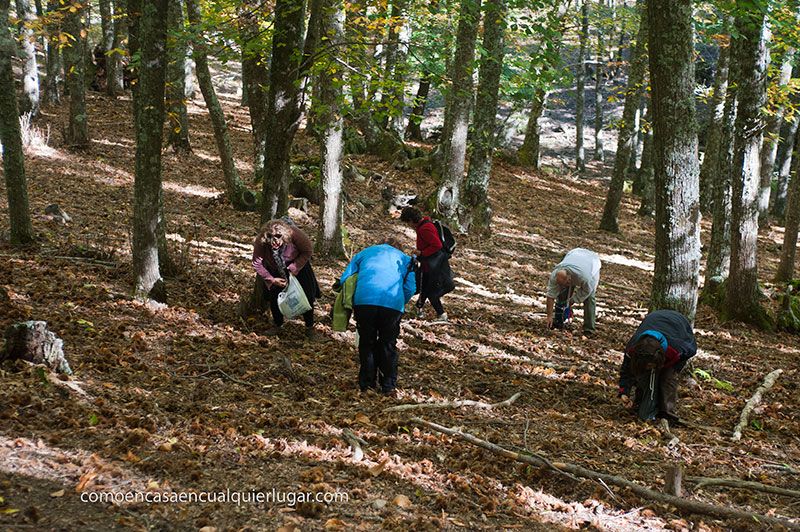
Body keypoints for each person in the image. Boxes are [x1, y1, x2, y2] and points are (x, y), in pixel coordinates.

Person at [339, 238, 416, 395]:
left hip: (364, 302)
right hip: (392, 304)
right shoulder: (406, 259)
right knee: (388, 343)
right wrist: (401, 301)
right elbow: (410, 287)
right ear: (399, 248)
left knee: (367, 342)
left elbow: (344, 279)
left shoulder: (363, 253)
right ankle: (388, 385)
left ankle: (367, 384)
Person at [618, 309, 698, 422]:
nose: (650, 368)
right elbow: (626, 370)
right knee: (643, 375)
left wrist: (674, 368)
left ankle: (667, 414)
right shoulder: (633, 348)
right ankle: (640, 403)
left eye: (651, 365)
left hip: (679, 323)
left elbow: (692, 350)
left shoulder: (678, 347)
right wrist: (624, 392)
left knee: (668, 379)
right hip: (655, 318)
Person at [252, 219, 320, 338]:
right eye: (271, 237)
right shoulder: (261, 241)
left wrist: (294, 268)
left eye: (278, 237)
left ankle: (309, 327)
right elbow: (257, 263)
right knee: (275, 296)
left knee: (306, 295)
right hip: (274, 269)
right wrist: (271, 279)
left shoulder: (294, 234)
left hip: (298, 265)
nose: (275, 241)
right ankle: (277, 325)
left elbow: (307, 250)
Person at [399, 206, 454, 322]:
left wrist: (421, 253)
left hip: (433, 267)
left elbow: (437, 245)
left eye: (408, 223)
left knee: (429, 291)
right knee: (422, 286)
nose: (409, 226)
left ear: (411, 220)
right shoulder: (425, 224)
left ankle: (442, 315)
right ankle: (418, 309)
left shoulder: (425, 229)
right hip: (430, 265)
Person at [545, 248, 601, 335]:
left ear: (570, 278)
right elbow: (550, 296)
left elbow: (586, 291)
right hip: (575, 253)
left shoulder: (586, 278)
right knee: (564, 291)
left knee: (589, 298)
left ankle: (589, 329)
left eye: (566, 283)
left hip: (592, 262)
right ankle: (559, 318)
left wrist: (573, 300)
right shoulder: (555, 274)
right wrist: (549, 316)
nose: (564, 285)